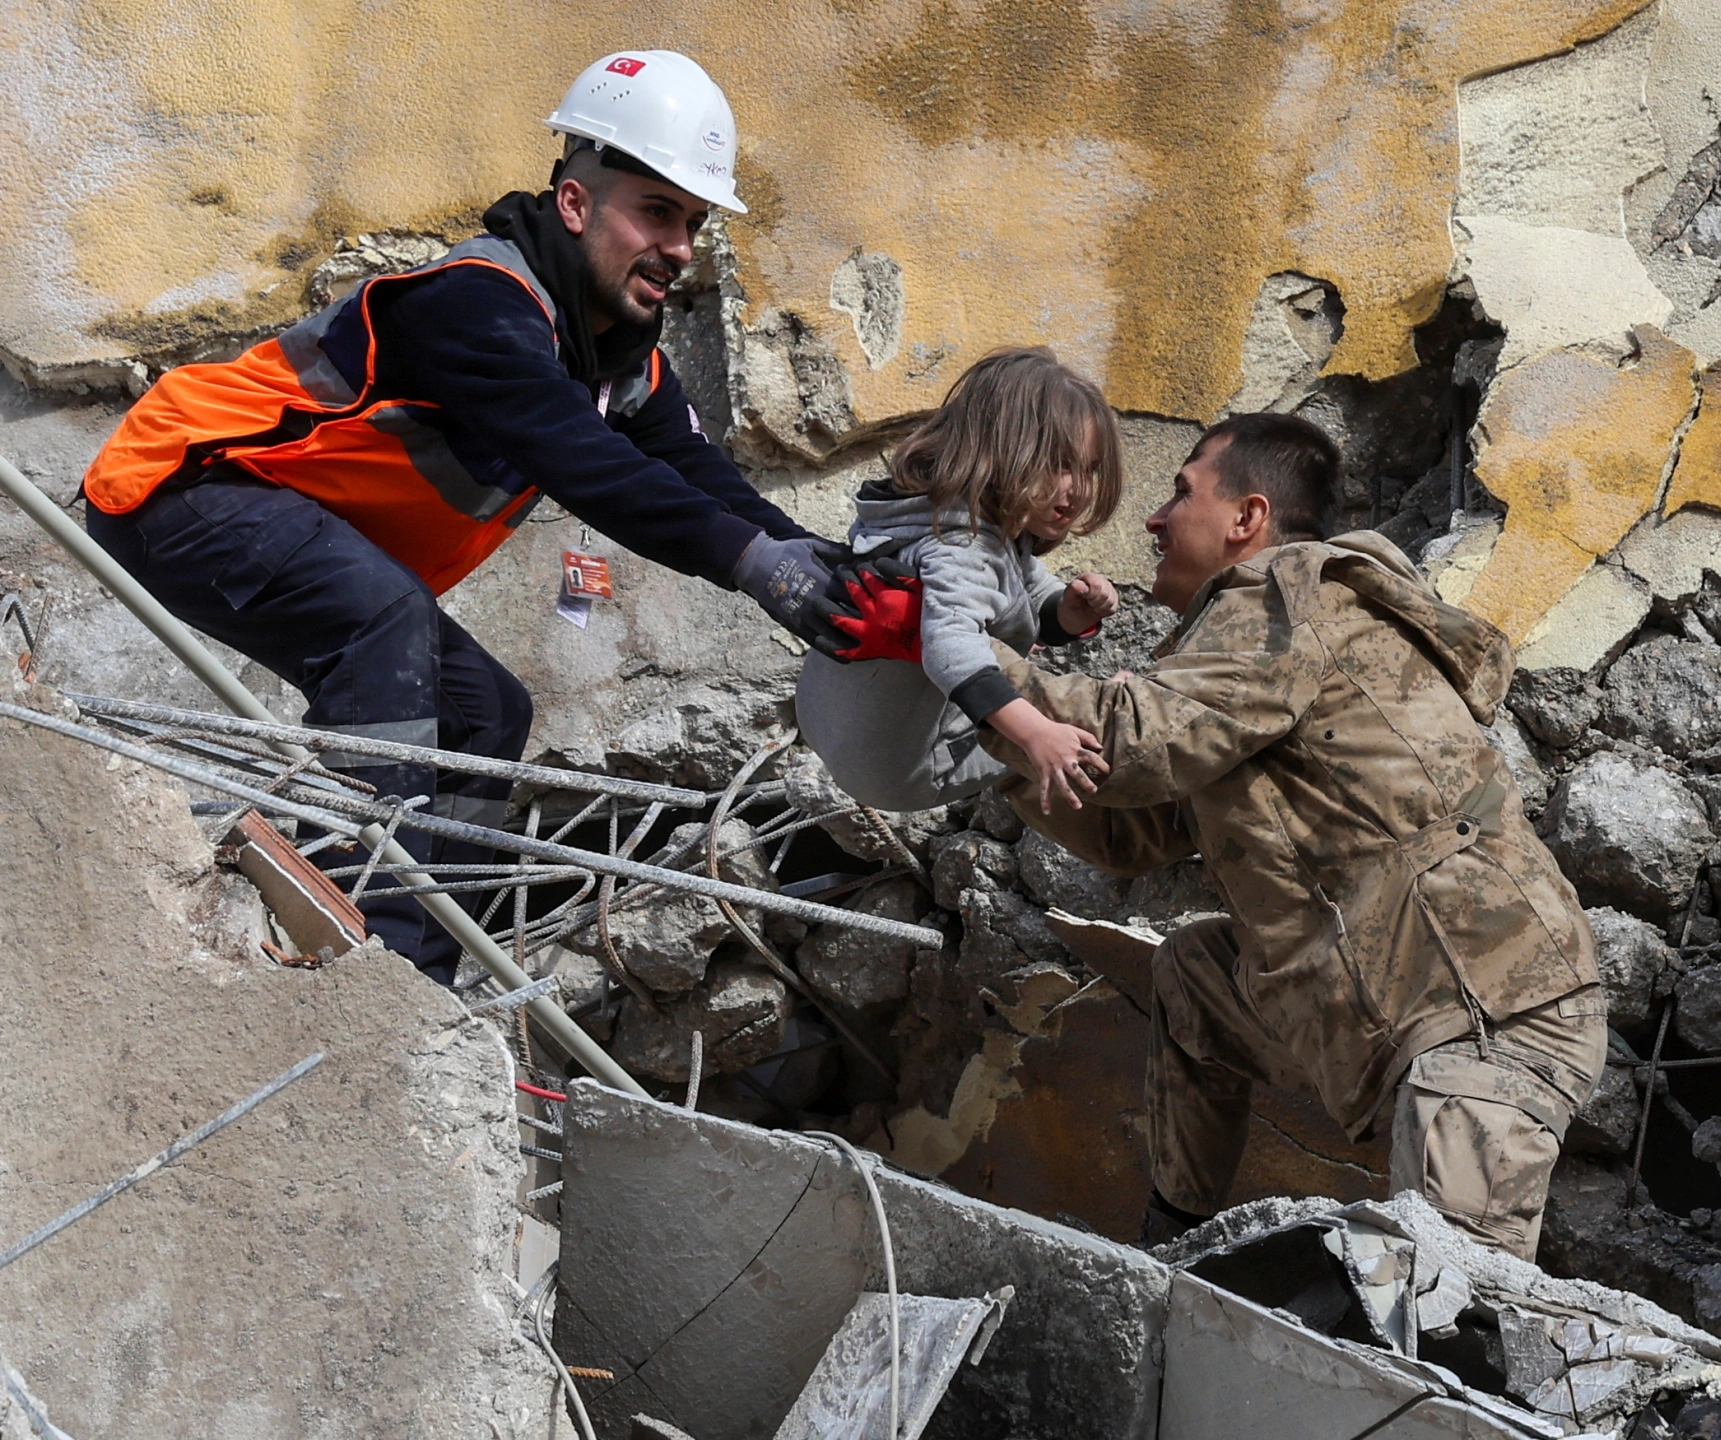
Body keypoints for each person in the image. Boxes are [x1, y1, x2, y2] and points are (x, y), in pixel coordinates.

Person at [80, 50, 906, 985]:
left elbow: (697, 473)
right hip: (178, 486)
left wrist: (821, 565)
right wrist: (757, 567)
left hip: (287, 521)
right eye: (657, 211)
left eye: (694, 222)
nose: (680, 247)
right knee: (382, 619)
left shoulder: (619, 358)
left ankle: (420, 982)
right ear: (575, 205)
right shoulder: (476, 301)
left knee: (486, 714)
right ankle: (351, 964)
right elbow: (583, 460)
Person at [976, 413, 1605, 1260]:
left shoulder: (1289, 595)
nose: (1155, 520)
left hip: (1484, 1006)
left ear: (1248, 518)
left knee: (1447, 1322)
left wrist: (958, 663)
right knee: (1196, 973)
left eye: (1181, 491)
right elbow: (1131, 830)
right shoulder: (1234, 651)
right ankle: (1175, 1246)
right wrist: (997, 740)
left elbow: (1131, 741)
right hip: (1398, 1001)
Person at [796, 347, 1125, 814]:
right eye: (1060, 463)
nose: (1080, 488)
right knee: (1095, 734)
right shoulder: (961, 547)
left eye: (1089, 469)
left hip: (828, 725)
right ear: (1001, 450)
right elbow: (952, 649)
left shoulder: (931, 515)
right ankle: (1104, 709)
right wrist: (1037, 735)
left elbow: (1024, 586)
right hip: (910, 772)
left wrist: (1068, 609)